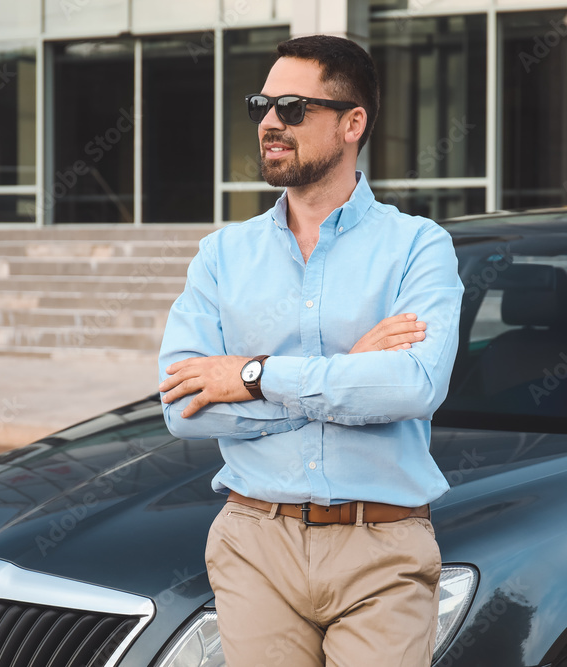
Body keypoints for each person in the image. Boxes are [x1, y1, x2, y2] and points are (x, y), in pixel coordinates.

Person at [158, 34, 463, 667]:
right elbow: (183, 405)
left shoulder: (418, 247)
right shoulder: (222, 255)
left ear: (353, 123)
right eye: (261, 105)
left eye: (293, 107)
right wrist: (349, 373)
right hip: (253, 540)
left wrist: (251, 374)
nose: (270, 122)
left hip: (381, 545)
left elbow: (414, 386)